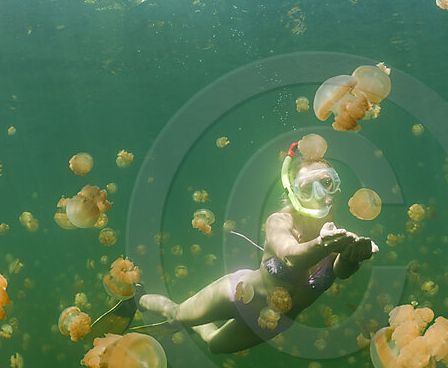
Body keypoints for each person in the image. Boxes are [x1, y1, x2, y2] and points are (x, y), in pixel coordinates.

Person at [136, 140, 376, 354]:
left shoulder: (339, 238)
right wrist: (323, 244)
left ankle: (199, 327)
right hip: (236, 294)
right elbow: (291, 258)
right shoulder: (280, 221)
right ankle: (138, 298)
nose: (319, 193)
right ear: (294, 194)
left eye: (326, 182)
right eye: (306, 187)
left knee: (214, 346)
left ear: (338, 187)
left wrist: (353, 256)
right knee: (177, 316)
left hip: (276, 321)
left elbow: (341, 271)